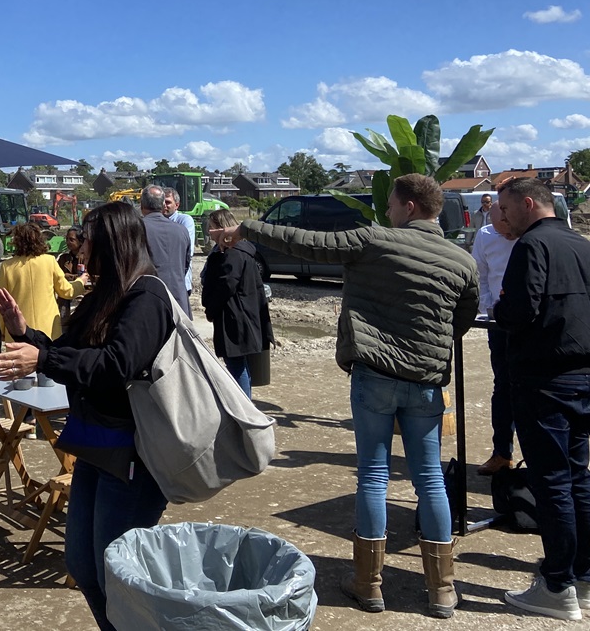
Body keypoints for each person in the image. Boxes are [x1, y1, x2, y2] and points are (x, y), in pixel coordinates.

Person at [213, 174, 477, 619]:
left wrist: (248, 228)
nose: (387, 211)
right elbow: (461, 320)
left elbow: (307, 243)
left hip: (375, 375)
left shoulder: (374, 241)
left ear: (410, 207)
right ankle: (442, 589)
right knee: (430, 479)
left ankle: (368, 584)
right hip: (427, 381)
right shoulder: (461, 260)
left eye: (391, 204)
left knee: (373, 475)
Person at [0, 202, 173, 631]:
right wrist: (24, 332)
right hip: (94, 447)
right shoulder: (105, 295)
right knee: (82, 565)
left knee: (116, 576)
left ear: (112, 243)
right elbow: (66, 351)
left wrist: (42, 359)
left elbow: (115, 365)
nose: (80, 250)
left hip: (132, 456)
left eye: (87, 241)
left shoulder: (147, 295)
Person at [496, 177, 590, 621]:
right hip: (582, 378)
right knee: (577, 478)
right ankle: (583, 576)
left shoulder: (532, 246)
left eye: (506, 208)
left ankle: (557, 585)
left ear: (528, 203)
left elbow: (519, 311)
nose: (502, 217)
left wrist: (499, 309)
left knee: (552, 482)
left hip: (544, 380)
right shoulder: (581, 244)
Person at [200, 209, 273, 398]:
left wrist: (211, 309)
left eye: (212, 228)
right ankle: (244, 403)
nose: (209, 232)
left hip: (235, 317)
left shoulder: (233, 253)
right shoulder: (240, 250)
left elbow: (226, 285)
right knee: (239, 364)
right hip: (243, 315)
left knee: (236, 364)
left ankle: (243, 406)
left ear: (223, 228)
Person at [471, 202, 518, 476]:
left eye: (510, 225)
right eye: (502, 226)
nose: (507, 231)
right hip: (498, 324)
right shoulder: (485, 235)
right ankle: (502, 453)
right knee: (502, 387)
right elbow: (480, 275)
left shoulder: (532, 237)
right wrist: (489, 309)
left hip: (530, 324)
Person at [0, 221, 83, 340]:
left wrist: (2, 330)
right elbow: (67, 291)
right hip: (48, 331)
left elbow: (1, 302)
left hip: (18, 332)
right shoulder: (49, 261)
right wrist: (81, 281)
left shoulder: (7, 267)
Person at [138, 185, 192, 314]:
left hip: (149, 302)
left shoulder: (136, 229)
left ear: (141, 205)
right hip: (179, 301)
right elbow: (185, 264)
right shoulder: (181, 230)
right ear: (163, 205)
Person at [162, 188, 198, 315]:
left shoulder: (184, 220)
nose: (164, 205)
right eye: (162, 202)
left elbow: (187, 251)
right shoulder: (156, 222)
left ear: (177, 205)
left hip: (180, 283)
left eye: (168, 202)